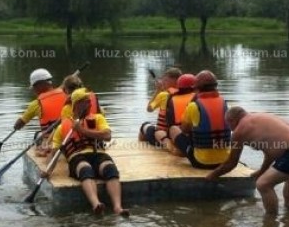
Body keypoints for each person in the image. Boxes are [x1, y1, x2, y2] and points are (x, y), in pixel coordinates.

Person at [205, 106, 289, 215]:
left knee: (263, 184)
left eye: (228, 124)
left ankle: (270, 222)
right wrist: (261, 171)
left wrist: (211, 176)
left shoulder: (239, 131)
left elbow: (231, 163)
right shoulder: (259, 117)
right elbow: (271, 152)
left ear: (232, 120)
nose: (229, 127)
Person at [48, 88, 129, 216]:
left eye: (88, 101)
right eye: (85, 101)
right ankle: (96, 204)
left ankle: (118, 207)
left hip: (97, 154)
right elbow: (54, 153)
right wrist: (48, 170)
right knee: (85, 169)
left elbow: (107, 136)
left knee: (110, 168)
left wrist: (82, 130)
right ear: (76, 105)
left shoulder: (98, 118)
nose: (89, 103)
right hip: (77, 156)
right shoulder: (62, 126)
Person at [169, 70, 232, 168]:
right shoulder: (224, 103)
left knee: (173, 129)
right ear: (216, 86)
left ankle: (179, 152)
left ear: (197, 89)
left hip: (201, 162)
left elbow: (184, 129)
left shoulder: (194, 106)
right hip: (225, 161)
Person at [14, 68, 66, 156]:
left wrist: (16, 127)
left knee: (38, 135)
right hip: (70, 137)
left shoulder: (36, 104)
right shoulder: (68, 94)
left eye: (34, 87)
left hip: (51, 141)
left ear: (40, 85)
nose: (34, 90)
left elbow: (18, 125)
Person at [139, 67, 182, 148]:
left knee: (144, 126)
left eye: (165, 80)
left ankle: (141, 150)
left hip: (162, 135)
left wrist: (157, 91)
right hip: (179, 137)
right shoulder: (188, 95)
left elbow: (149, 109)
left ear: (172, 81)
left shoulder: (163, 95)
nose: (163, 82)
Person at [165, 73, 196, 155]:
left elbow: (169, 123)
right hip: (198, 138)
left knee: (172, 129)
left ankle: (176, 149)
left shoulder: (171, 99)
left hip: (180, 138)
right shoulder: (199, 98)